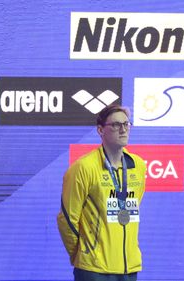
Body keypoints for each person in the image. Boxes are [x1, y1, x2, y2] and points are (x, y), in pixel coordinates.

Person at [57, 104, 147, 281]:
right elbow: (67, 219)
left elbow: (133, 208)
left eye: (126, 124)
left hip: (129, 268)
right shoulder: (83, 168)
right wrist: (84, 253)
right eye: (115, 125)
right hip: (93, 270)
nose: (123, 129)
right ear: (100, 130)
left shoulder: (137, 166)